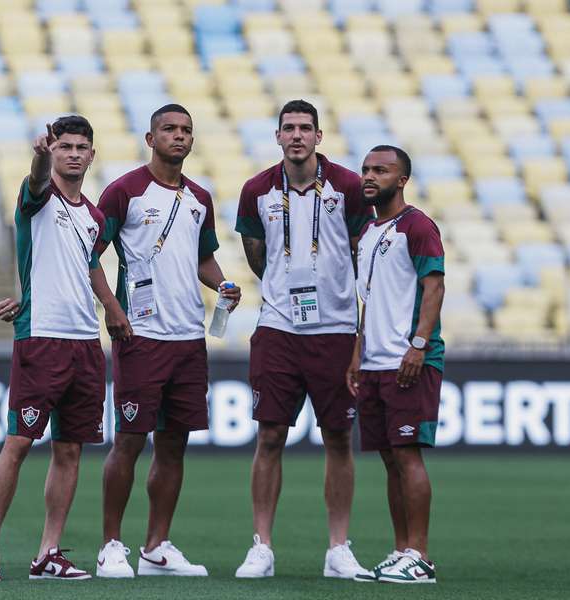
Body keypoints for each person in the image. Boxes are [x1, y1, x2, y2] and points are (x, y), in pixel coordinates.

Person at [0, 115, 126, 582]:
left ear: (92, 155)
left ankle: (48, 553)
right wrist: (38, 155)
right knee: (18, 442)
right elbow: (36, 181)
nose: (73, 153)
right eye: (64, 147)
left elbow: (88, 262)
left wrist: (110, 305)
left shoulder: (93, 215)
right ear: (53, 152)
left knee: (70, 450)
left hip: (85, 344)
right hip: (41, 337)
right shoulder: (37, 198)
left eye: (81, 147)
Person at [91, 104, 241, 578]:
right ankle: (111, 545)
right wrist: (113, 311)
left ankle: (157, 546)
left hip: (188, 338)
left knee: (174, 443)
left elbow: (203, 258)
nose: (179, 136)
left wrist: (222, 285)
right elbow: (89, 254)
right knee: (130, 440)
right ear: (150, 137)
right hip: (141, 334)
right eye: (169, 129)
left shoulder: (199, 197)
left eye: (186, 131)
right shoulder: (125, 191)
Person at [233, 99, 373, 579]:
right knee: (270, 434)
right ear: (277, 136)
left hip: (334, 329)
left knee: (338, 436)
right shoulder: (256, 190)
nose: (296, 136)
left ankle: (338, 548)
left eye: (305, 128)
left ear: (319, 136)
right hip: (277, 327)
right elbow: (256, 254)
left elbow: (363, 253)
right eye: (288, 128)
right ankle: (262, 546)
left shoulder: (350, 188)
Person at [345, 145, 445, 584]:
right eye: (366, 169)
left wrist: (419, 345)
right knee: (388, 458)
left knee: (407, 455)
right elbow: (370, 302)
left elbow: (435, 287)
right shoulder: (368, 232)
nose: (370, 176)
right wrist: (356, 355)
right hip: (374, 362)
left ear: (401, 180)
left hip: (409, 359)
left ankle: (420, 555)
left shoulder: (417, 226)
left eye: (381, 171)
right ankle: (401, 549)